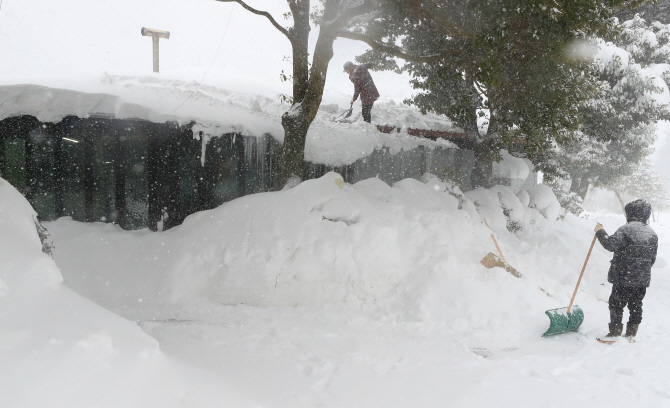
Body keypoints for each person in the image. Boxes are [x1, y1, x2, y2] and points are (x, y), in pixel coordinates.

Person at [594, 199, 658, 340]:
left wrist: (600, 231)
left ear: (631, 213)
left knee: (616, 304)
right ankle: (631, 333)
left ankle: (615, 331)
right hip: (641, 279)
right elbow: (652, 259)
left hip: (623, 276)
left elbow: (610, 245)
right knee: (636, 305)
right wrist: (640, 270)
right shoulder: (652, 234)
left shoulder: (626, 230)